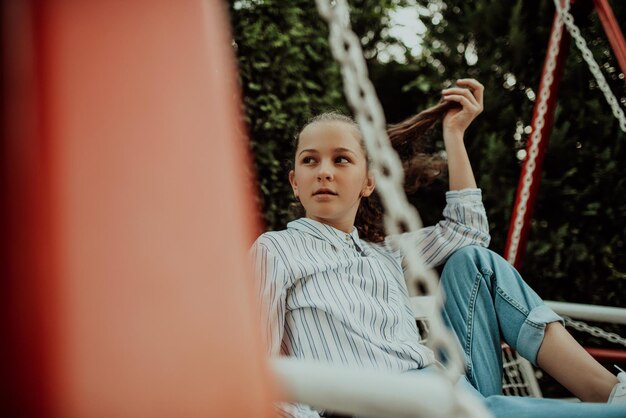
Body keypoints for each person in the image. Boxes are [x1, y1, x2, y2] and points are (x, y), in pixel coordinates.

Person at [250, 78, 626, 417]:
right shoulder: (277, 250)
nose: (324, 171)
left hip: (443, 390)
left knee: (474, 262)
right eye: (309, 161)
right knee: (492, 410)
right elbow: (261, 370)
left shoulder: (384, 253)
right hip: (380, 404)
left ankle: (606, 392)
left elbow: (468, 231)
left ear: (368, 183)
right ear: (295, 183)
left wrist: (455, 134)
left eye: (341, 159)